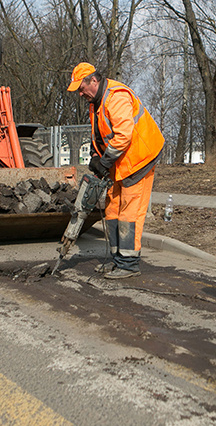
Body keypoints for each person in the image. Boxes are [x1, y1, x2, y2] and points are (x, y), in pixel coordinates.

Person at [68, 62, 165, 279]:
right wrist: (95, 156)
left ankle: (129, 264)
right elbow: (99, 134)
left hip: (139, 159)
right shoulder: (95, 102)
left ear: (94, 80)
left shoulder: (116, 97)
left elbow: (123, 136)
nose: (80, 94)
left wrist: (104, 163)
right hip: (121, 160)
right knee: (112, 208)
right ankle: (117, 259)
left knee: (129, 212)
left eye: (81, 88)